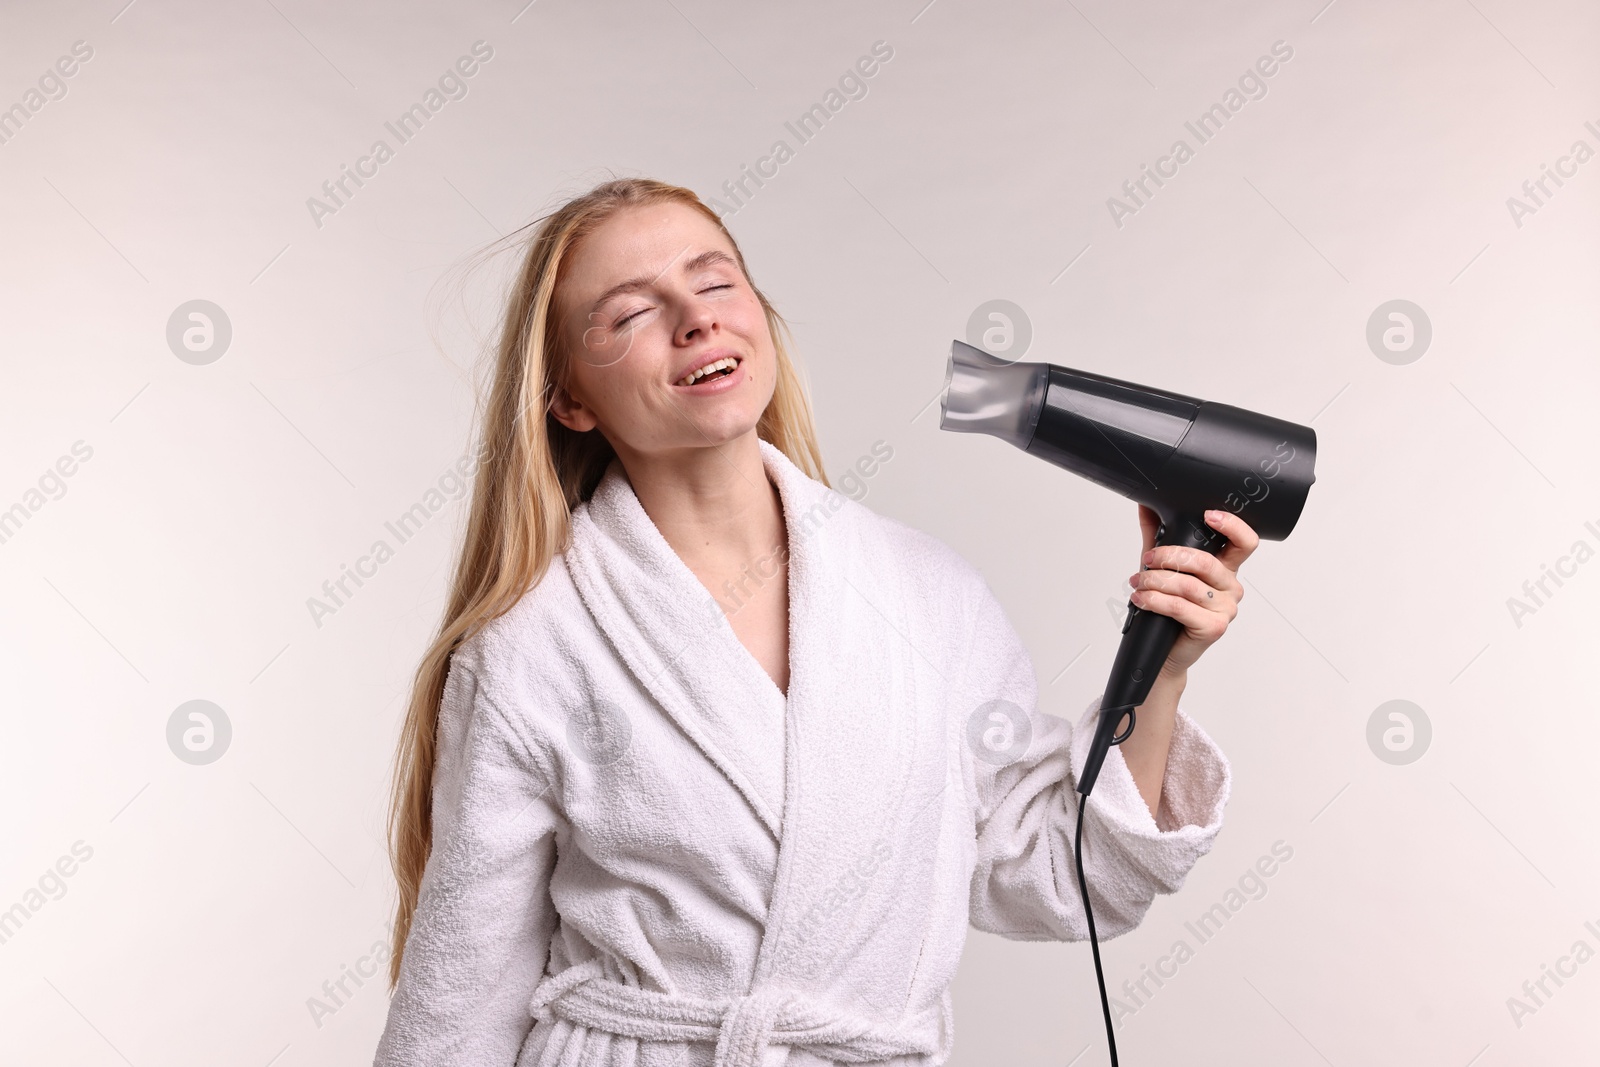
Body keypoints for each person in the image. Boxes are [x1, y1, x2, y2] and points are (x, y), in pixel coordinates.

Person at [372, 177, 1249, 1067]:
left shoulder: (927, 597)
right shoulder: (531, 648)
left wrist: (1164, 670)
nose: (695, 318)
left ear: (758, 317)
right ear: (570, 400)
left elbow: (1068, 876)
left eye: (716, 284)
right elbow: (461, 999)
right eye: (631, 313)